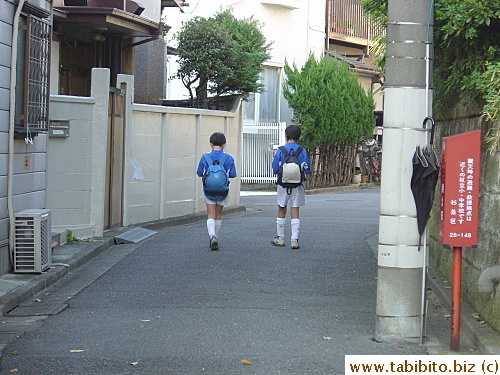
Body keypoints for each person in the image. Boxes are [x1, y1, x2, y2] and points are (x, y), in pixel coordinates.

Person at [271, 125, 311, 249]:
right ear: (299, 137)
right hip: (297, 185)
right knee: (295, 209)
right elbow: (307, 169)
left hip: (283, 184)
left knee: (281, 208)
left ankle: (280, 238)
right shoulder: (302, 151)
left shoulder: (280, 150)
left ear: (286, 135)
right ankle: (294, 240)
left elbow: (275, 169)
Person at [196, 132, 237, 250]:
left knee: (210, 215)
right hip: (223, 190)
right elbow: (233, 175)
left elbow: (199, 173)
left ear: (210, 144)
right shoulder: (229, 158)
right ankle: (216, 237)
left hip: (209, 190)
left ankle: (212, 235)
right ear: (224, 144)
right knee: (218, 214)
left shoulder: (205, 157)